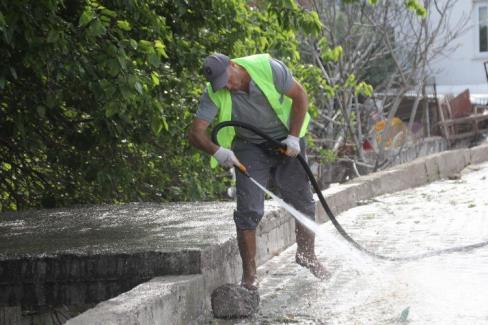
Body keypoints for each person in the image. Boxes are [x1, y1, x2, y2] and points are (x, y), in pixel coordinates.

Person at [188, 53, 329, 290]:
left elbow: (300, 96)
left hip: (286, 140)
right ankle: (250, 276)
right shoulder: (214, 92)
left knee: (302, 201)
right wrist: (217, 152)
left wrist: (294, 137)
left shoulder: (269, 69)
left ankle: (307, 257)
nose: (228, 87)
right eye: (222, 85)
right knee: (249, 209)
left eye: (228, 80)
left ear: (233, 65)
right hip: (250, 146)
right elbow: (195, 133)